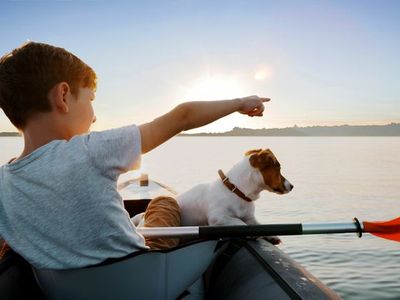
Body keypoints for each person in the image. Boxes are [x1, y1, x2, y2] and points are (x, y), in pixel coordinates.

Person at [0, 41, 269, 270]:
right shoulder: (91, 150)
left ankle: (137, 224)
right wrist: (238, 103)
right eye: (90, 99)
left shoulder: (4, 183)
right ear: (63, 95)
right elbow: (183, 116)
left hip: (67, 290)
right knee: (165, 201)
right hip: (146, 279)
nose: (94, 116)